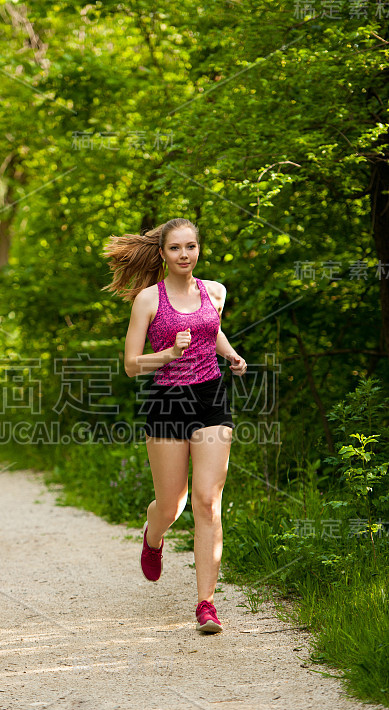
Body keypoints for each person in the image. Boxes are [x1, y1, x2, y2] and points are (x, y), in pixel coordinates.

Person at [105, 217, 247, 633]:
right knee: (173, 505)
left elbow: (212, 332)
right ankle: (154, 535)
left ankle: (206, 604)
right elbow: (131, 365)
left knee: (207, 501)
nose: (184, 255)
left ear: (198, 249)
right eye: (175, 249)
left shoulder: (214, 292)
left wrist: (232, 355)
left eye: (191, 247)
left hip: (210, 398)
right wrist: (166, 354)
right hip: (167, 402)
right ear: (163, 254)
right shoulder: (149, 300)